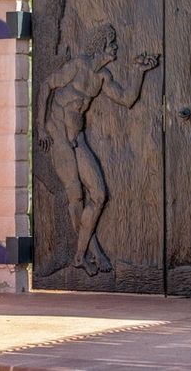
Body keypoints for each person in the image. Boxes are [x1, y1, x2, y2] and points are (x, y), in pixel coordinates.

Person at [37, 23, 159, 276]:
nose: (116, 48)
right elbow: (46, 85)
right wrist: (40, 126)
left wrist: (140, 72)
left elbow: (127, 100)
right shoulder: (78, 65)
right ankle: (93, 253)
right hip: (59, 135)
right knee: (76, 197)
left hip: (77, 138)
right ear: (102, 45)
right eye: (113, 44)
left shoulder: (103, 77)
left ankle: (80, 256)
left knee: (99, 194)